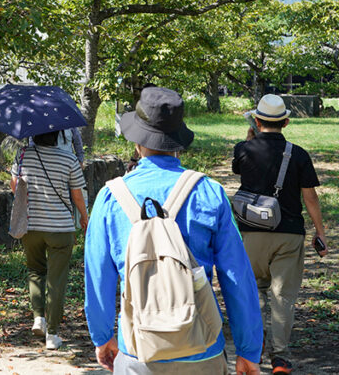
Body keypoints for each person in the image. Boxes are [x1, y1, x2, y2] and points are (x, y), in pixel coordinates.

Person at [85, 86, 263, 375]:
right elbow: (236, 277)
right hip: (203, 347)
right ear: (177, 141)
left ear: (137, 141)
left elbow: (98, 277)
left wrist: (102, 336)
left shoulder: (110, 197)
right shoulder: (209, 192)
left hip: (138, 349)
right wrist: (248, 349)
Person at [233, 94, 327, 375]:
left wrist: (249, 141)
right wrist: (320, 233)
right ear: (286, 122)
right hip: (289, 234)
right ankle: (281, 359)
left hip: (252, 234)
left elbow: (238, 168)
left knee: (256, 291)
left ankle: (256, 346)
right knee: (283, 296)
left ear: (257, 121)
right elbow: (310, 197)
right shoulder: (298, 154)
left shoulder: (243, 149)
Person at [11, 129, 89, 350]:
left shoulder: (23, 154)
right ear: (58, 137)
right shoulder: (69, 159)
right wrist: (84, 217)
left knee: (35, 271)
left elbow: (14, 186)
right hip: (60, 228)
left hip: (31, 226)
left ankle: (38, 318)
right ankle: (53, 335)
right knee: (57, 280)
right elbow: (77, 193)